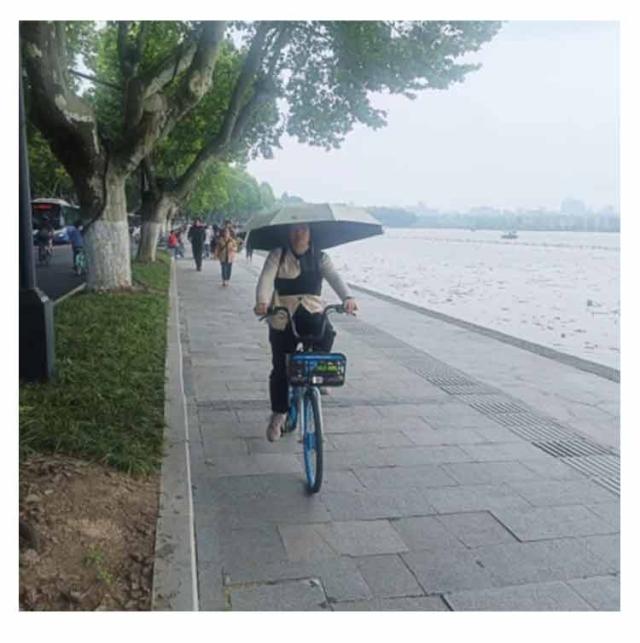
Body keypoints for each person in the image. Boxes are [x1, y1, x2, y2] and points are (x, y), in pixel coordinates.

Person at [254, 223, 358, 442]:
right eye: (294, 230)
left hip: (312, 310)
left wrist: (347, 297)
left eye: (302, 229)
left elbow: (335, 278)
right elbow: (266, 279)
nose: (298, 234)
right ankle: (278, 414)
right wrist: (262, 302)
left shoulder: (320, 257)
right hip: (283, 314)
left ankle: (320, 375)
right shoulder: (278, 255)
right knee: (280, 367)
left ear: (310, 233)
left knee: (327, 334)